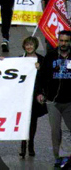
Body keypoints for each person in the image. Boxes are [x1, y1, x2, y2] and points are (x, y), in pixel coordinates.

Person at [37, 30, 71, 167]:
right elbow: (42, 76)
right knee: (55, 131)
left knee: (68, 131)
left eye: (66, 41)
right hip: (53, 101)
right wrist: (40, 92)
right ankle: (57, 156)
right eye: (61, 41)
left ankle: (66, 157)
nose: (63, 44)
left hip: (69, 101)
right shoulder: (50, 56)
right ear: (58, 41)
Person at [20, 36, 46, 159]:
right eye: (27, 45)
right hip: (22, 94)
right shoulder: (20, 59)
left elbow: (46, 77)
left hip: (36, 95)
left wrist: (39, 69)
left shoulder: (41, 60)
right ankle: (23, 145)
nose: (29, 47)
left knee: (33, 121)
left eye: (31, 44)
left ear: (35, 46)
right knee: (23, 120)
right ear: (24, 46)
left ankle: (31, 145)